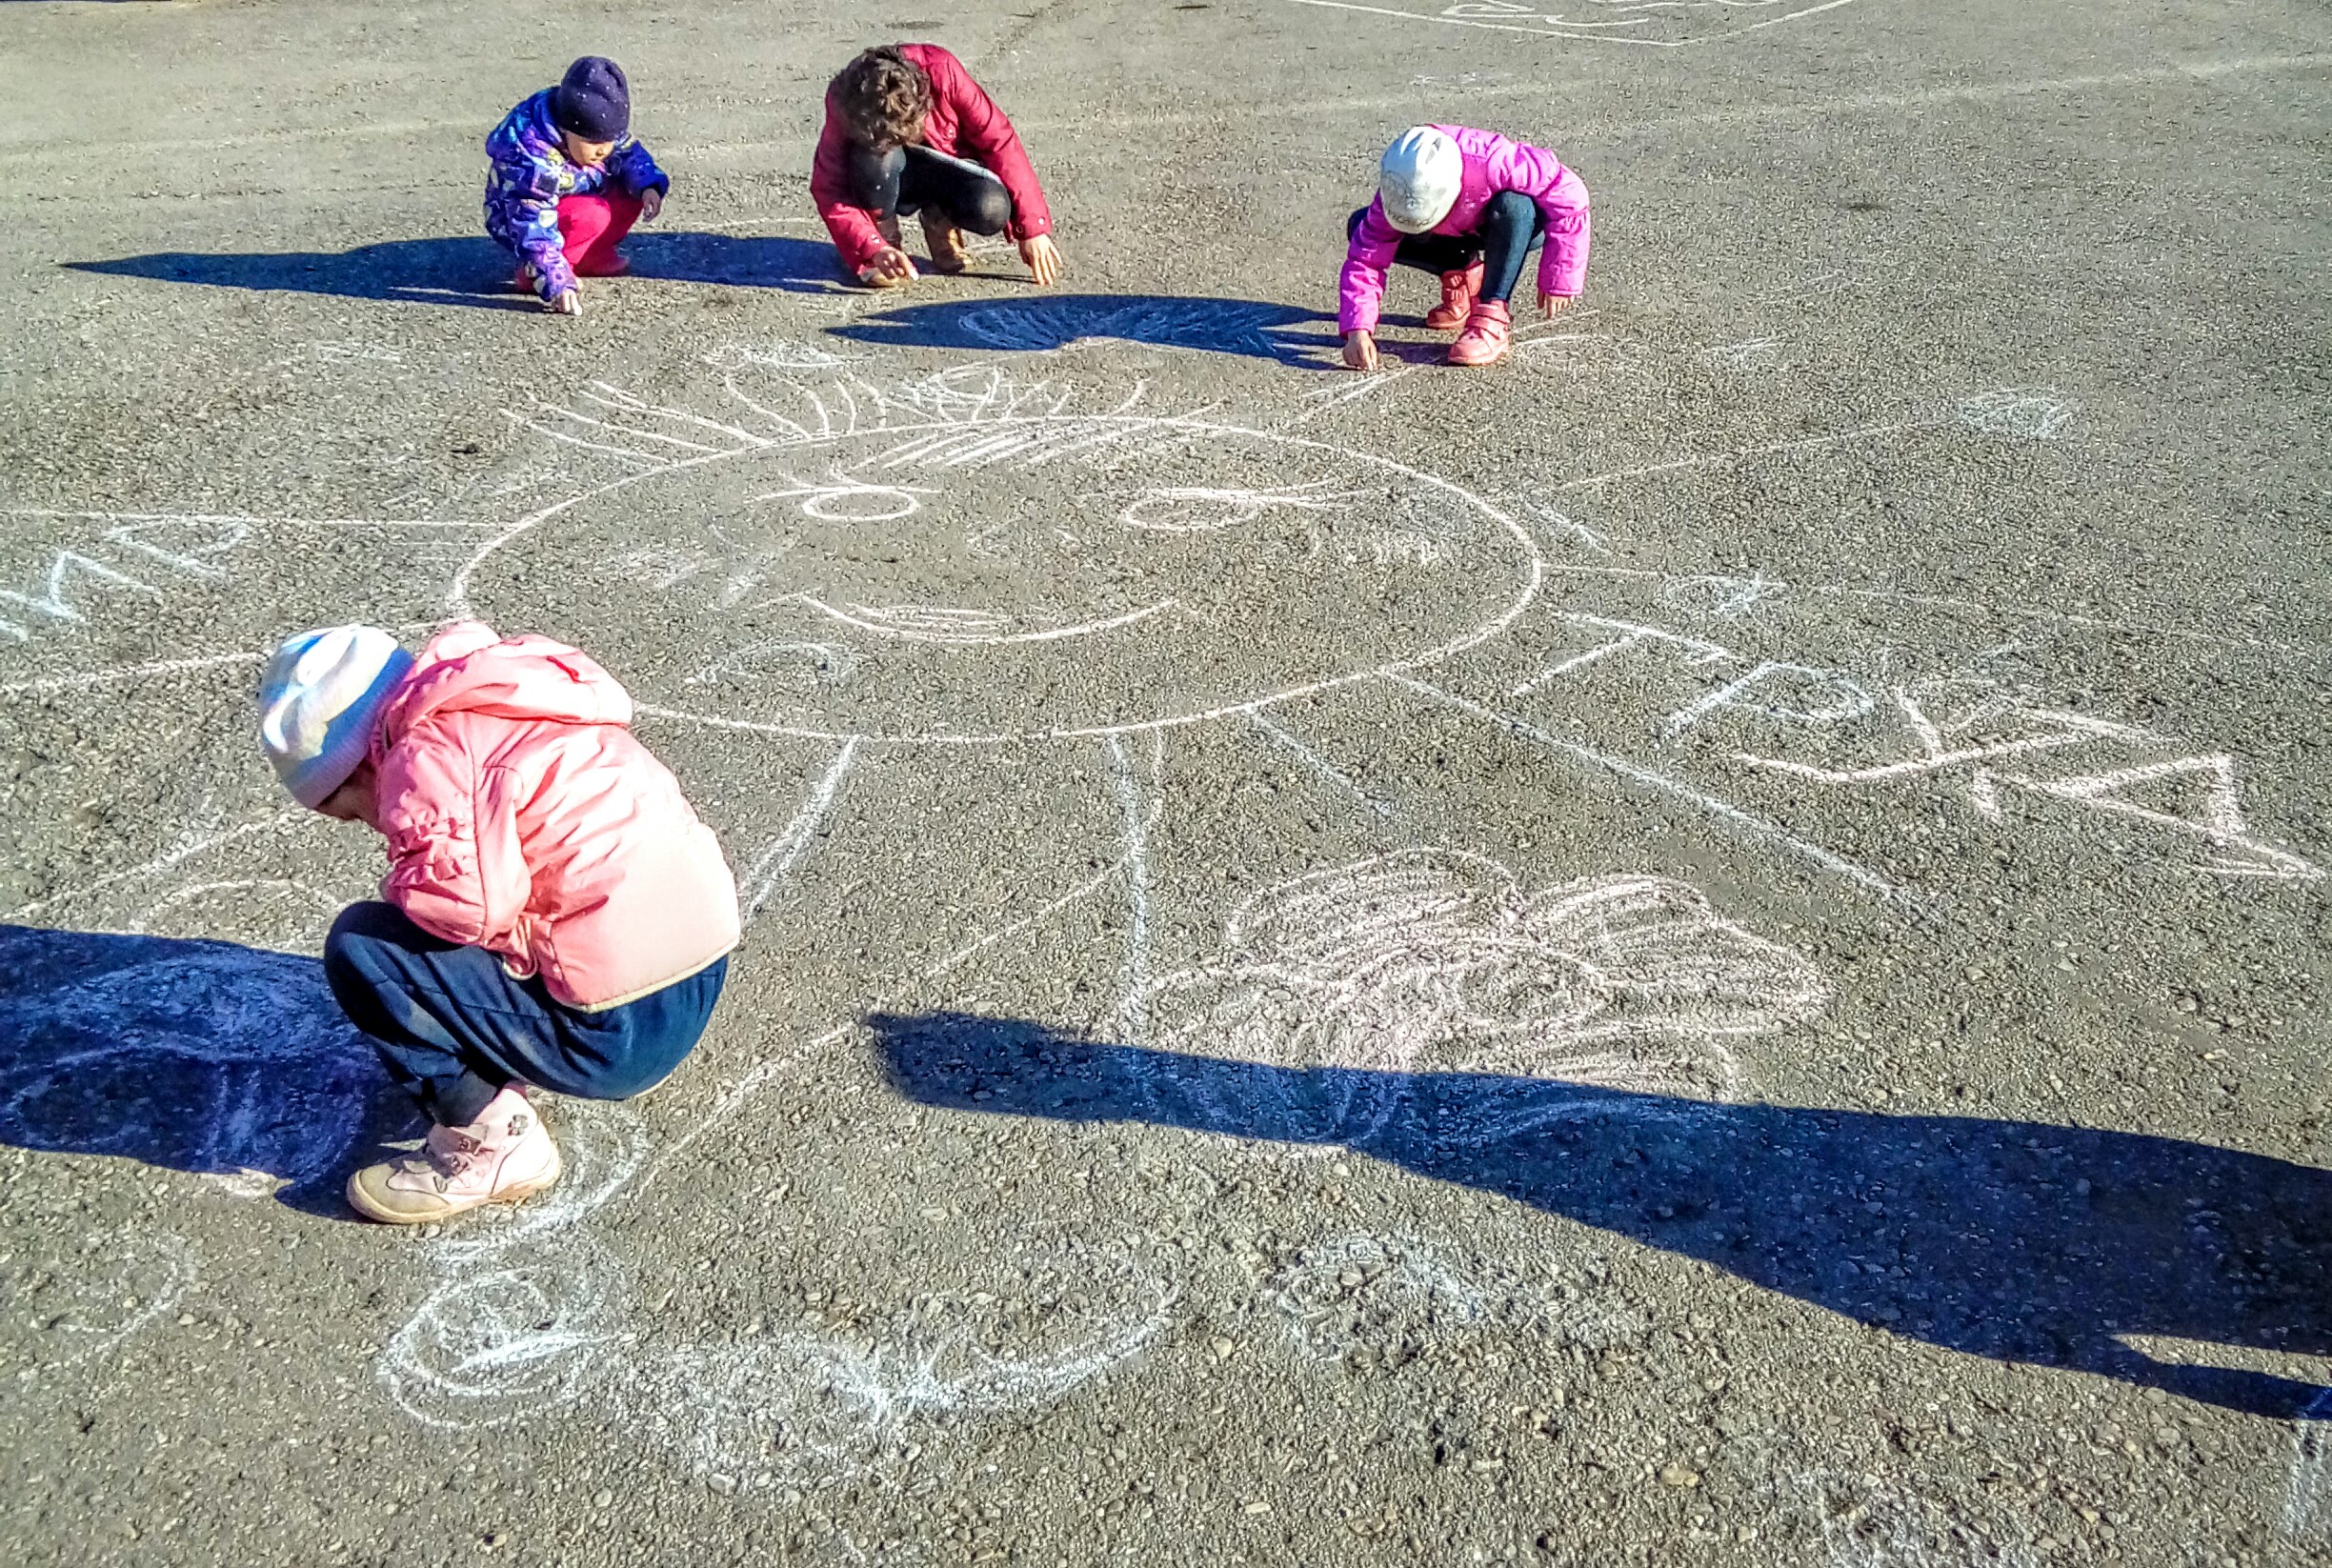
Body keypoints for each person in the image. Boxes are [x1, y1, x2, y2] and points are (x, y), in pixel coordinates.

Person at [256, 622, 740, 1224]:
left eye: (356, 813)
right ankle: (527, 1028)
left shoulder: (425, 757)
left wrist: (406, 887)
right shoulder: (511, 701)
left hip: (621, 1036)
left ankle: (493, 1143)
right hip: (702, 967)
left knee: (366, 947)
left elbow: (466, 908)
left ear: (353, 769)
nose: (376, 826)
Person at [1339, 125, 1591, 371]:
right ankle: (1462, 271)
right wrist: (1357, 330)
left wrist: (1559, 278)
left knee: (1514, 206)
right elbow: (1366, 259)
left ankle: (1492, 310)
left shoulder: (1495, 161)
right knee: (1361, 226)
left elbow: (1571, 198)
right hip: (1455, 227)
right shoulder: (1399, 182)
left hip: (1512, 225)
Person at [811, 43, 1061, 290]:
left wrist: (1032, 229)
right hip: (883, 174)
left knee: (991, 208)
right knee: (874, 158)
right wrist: (873, 246)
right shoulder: (845, 99)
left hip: (942, 164)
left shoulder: (942, 69)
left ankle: (939, 219)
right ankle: (885, 235)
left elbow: (999, 140)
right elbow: (829, 187)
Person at [485, 56, 671, 316]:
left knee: (631, 191)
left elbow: (627, 152)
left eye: (609, 141)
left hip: (576, 191)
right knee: (592, 215)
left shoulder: (594, 131)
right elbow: (532, 222)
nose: (603, 151)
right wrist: (555, 281)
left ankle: (590, 254)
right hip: (521, 217)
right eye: (595, 144)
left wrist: (648, 185)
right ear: (566, 129)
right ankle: (536, 271)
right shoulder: (532, 159)